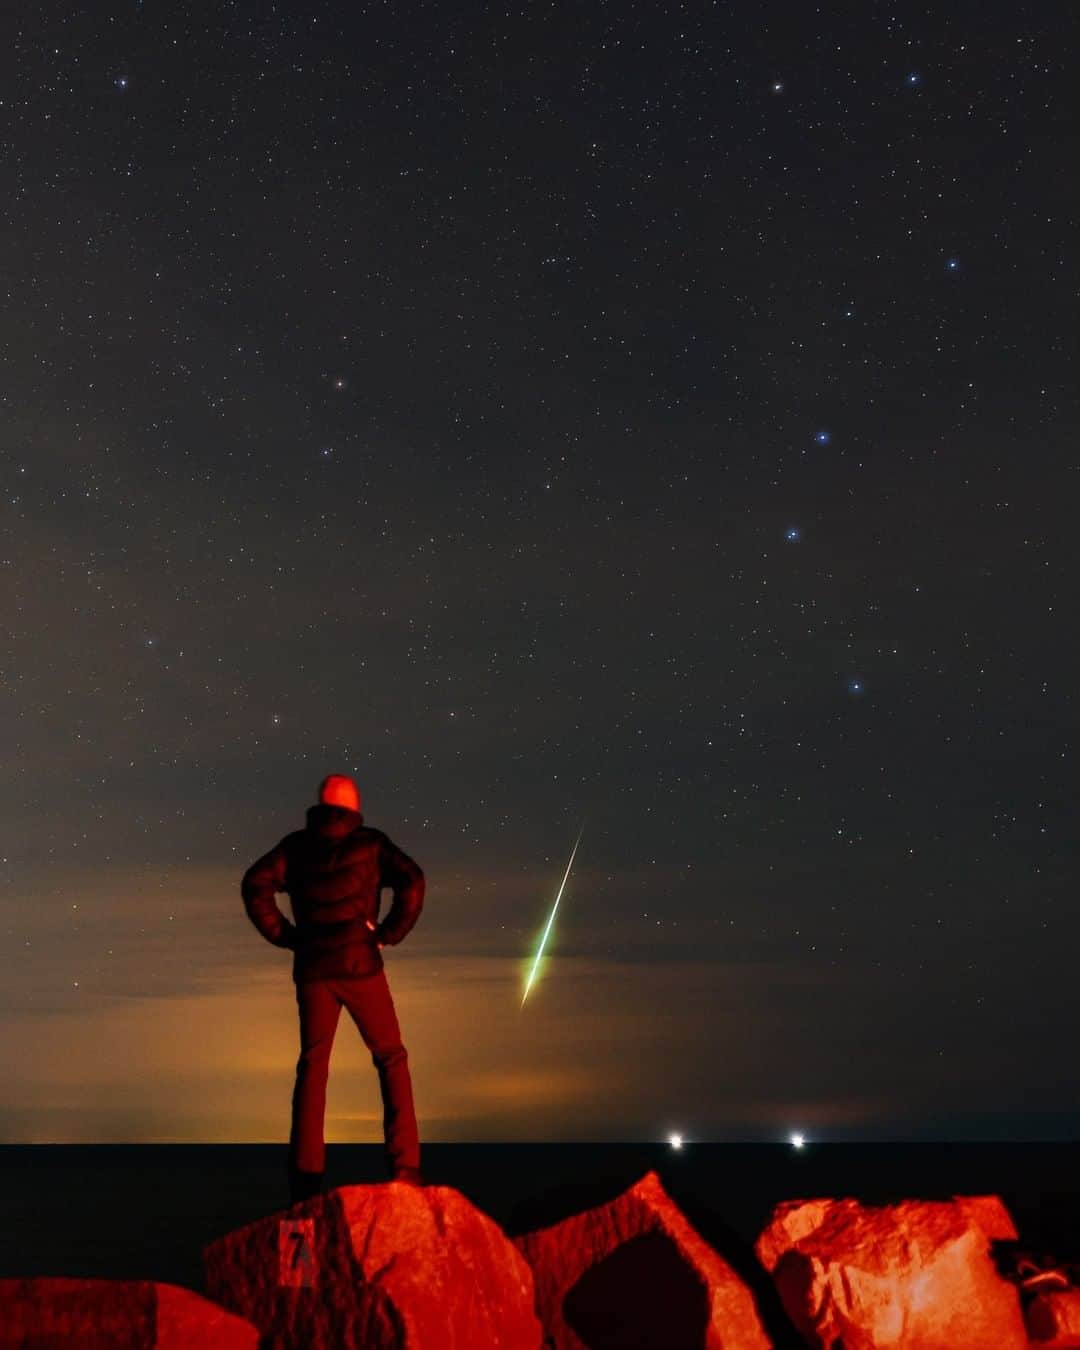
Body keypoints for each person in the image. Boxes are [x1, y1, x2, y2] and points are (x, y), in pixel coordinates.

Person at [241, 773, 425, 1205]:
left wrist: (288, 935)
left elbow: (255, 884)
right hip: (360, 965)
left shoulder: (294, 847)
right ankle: (405, 1169)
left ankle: (305, 1184)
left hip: (313, 970)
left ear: (319, 807)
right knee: (391, 1058)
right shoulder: (372, 844)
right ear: (354, 806)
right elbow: (413, 881)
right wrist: (388, 933)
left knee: (313, 1068)